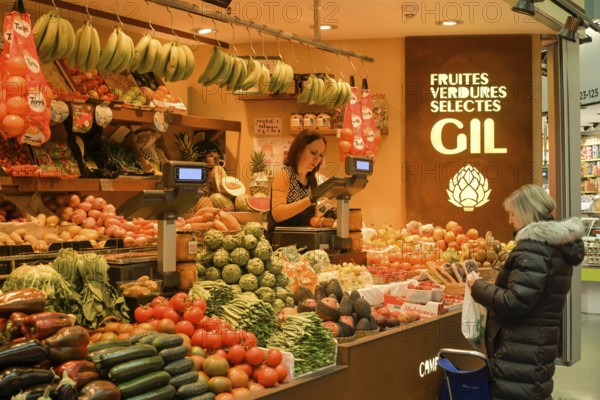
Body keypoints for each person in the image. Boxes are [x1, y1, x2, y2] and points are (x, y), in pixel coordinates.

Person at [466, 184, 585, 400]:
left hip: (520, 349)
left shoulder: (534, 248)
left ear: (525, 212)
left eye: (512, 213)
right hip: (537, 345)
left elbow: (514, 303)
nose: (510, 220)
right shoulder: (557, 245)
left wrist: (478, 286)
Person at [266, 129, 326, 240]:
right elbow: (277, 214)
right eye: (313, 153)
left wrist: (326, 214)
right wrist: (311, 199)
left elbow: (312, 215)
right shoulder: (284, 174)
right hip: (281, 244)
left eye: (321, 155)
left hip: (304, 242)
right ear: (299, 151)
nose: (317, 159)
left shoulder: (312, 180)